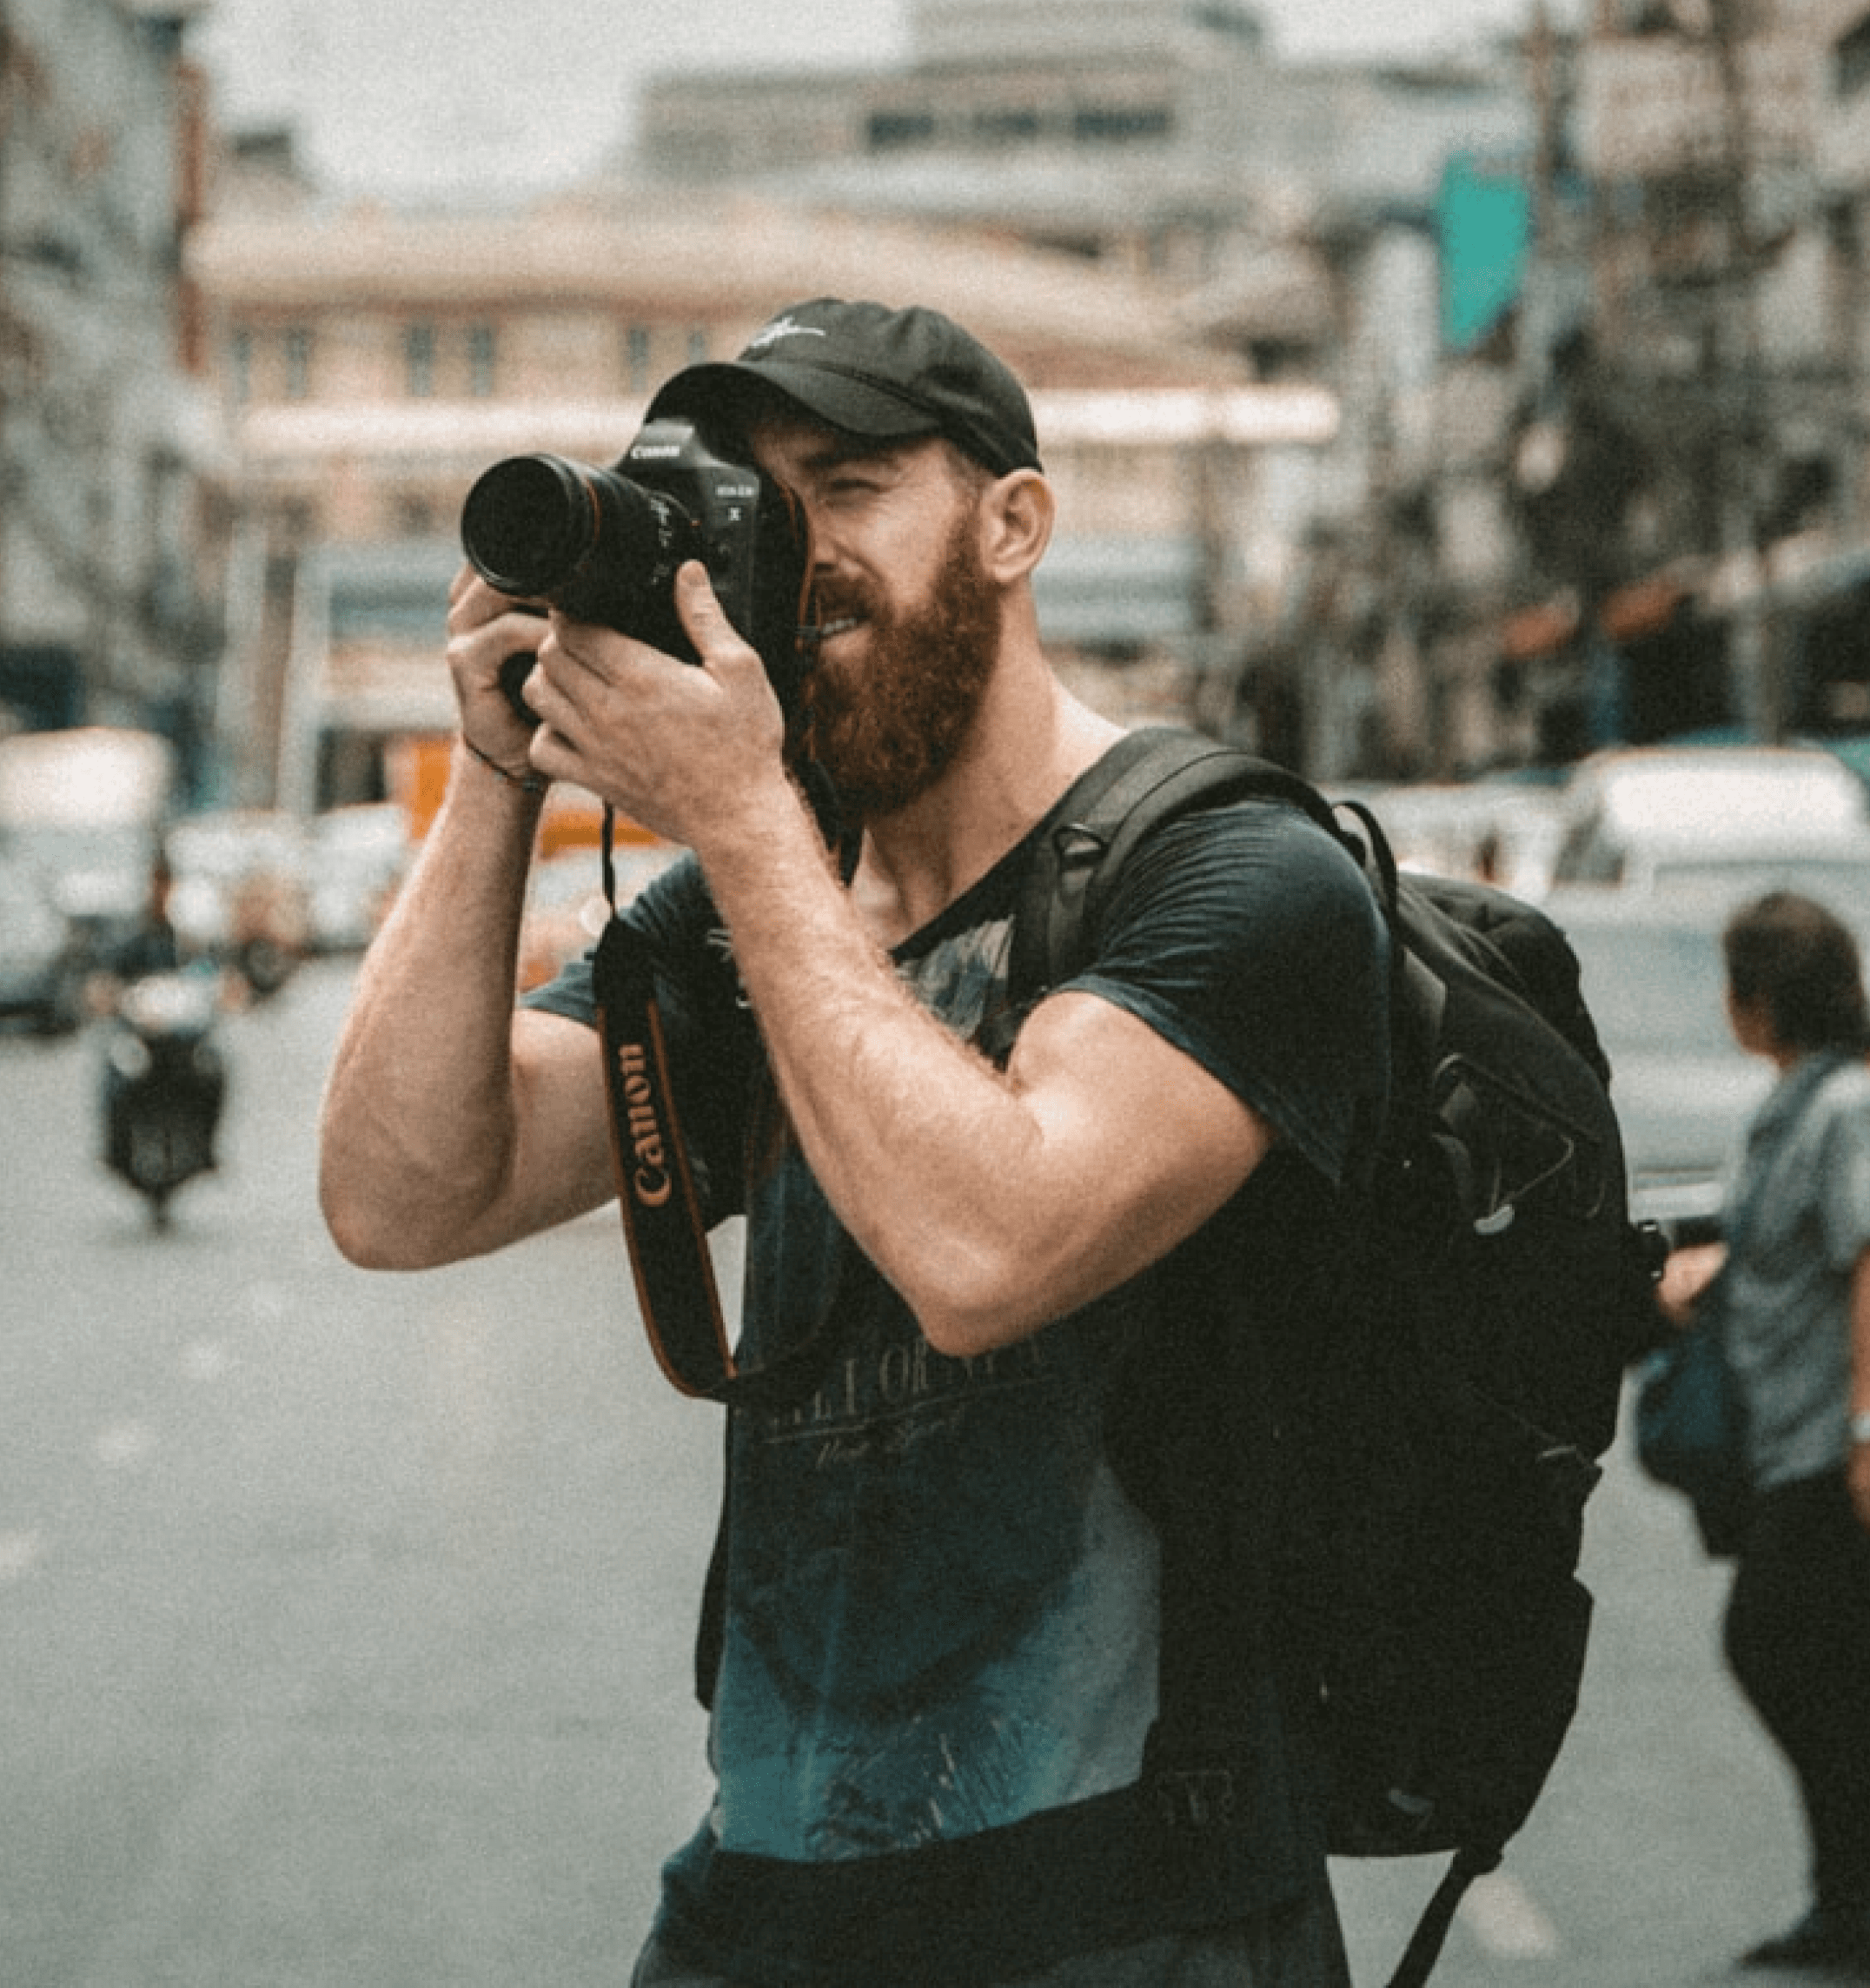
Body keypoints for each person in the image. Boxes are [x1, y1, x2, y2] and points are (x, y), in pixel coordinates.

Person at [318, 298, 1390, 1987]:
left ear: (1011, 521)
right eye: (752, 503)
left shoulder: (1233, 877)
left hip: (1124, 1907)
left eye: (848, 482)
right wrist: (497, 777)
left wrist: (744, 815)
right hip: (763, 1890)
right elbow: (403, 1191)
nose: (792, 551)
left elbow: (991, 1253)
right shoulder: (773, 894)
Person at [1669, 891, 1870, 1976]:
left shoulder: (1844, 1108)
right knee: (1823, 1662)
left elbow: (1869, 1256)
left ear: (1757, 1000)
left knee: (1780, 1644)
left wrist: (1867, 1430)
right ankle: (1844, 1902)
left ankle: (1849, 1900)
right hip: (1787, 1435)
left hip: (1825, 1443)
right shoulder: (1790, 1104)